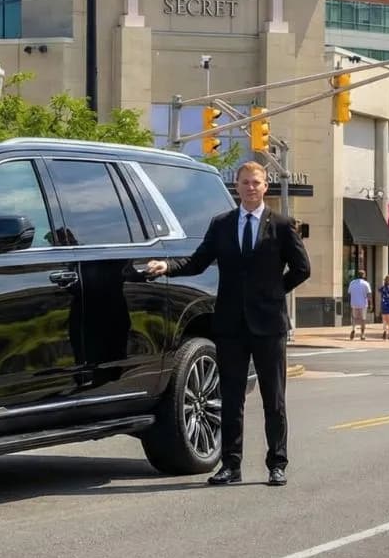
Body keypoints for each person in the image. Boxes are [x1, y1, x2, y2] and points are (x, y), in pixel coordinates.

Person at [143, 161, 311, 488]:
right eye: (245, 182)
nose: (250, 187)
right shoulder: (222, 224)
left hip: (268, 325)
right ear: (237, 186)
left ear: (265, 187)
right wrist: (166, 266)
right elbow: (197, 261)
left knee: (273, 398)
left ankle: (277, 463)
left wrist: (275, 292)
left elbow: (302, 269)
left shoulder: (281, 224)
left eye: (256, 182)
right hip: (231, 324)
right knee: (231, 398)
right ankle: (230, 466)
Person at [347, 268, 372, 341]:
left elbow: (349, 293)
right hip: (363, 304)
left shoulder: (352, 283)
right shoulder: (366, 283)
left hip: (354, 303)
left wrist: (350, 302)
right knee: (363, 319)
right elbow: (369, 294)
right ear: (363, 276)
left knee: (354, 318)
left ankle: (353, 329)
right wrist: (371, 304)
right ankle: (362, 334)